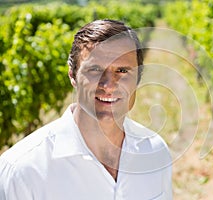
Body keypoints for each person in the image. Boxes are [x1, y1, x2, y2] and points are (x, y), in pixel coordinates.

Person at [0, 19, 172, 200]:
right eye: (95, 69)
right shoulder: (22, 171)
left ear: (138, 78)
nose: (108, 85)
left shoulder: (156, 151)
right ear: (72, 75)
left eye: (122, 70)